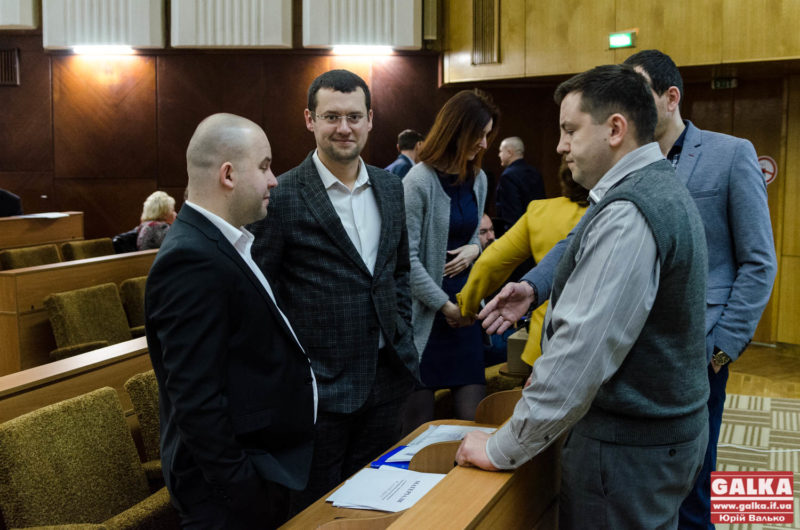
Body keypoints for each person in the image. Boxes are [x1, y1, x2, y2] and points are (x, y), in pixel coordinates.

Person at [457, 64, 710, 529]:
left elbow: (582, 354)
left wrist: (501, 447)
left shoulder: (630, 212)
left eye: (570, 130)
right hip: (653, 445)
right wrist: (534, 288)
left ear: (615, 129)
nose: (560, 145)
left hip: (627, 452)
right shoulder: (651, 185)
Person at [249, 69, 419, 514]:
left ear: (370, 120)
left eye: (354, 117)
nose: (344, 127)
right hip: (318, 392)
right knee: (317, 513)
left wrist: (401, 330)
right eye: (331, 117)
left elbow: (398, 272)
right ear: (310, 120)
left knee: (375, 508)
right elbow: (261, 294)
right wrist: (293, 374)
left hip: (386, 379)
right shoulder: (281, 195)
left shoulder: (390, 186)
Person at [622, 49, 778, 530]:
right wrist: (533, 285)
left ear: (671, 98)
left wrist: (721, 349)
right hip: (633, 352)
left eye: (637, 95)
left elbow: (759, 262)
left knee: (694, 489)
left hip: (699, 353)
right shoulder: (628, 163)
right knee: (641, 484)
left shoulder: (731, 154)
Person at [145, 113, 316, 529]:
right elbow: (196, 400)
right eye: (264, 166)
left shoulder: (223, 242)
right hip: (229, 498)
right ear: (228, 175)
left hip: (261, 471)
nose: (273, 180)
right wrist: (245, 491)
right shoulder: (191, 259)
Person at [401, 89, 498, 433]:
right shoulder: (418, 181)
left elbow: (472, 235)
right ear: (456, 131)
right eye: (479, 135)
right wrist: (445, 307)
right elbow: (407, 260)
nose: (484, 144)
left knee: (472, 424)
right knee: (418, 431)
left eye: (487, 135)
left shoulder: (479, 179)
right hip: (427, 319)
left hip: (466, 313)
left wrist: (475, 249)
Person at [458, 161, 588, 367]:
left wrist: (466, 307)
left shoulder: (541, 213)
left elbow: (489, 263)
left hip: (544, 346)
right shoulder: (618, 212)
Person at [495, 136, 545, 234]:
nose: (499, 155)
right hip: (537, 230)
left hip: (517, 234)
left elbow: (511, 214)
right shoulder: (535, 172)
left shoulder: (508, 176)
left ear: (509, 152)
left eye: (500, 151)